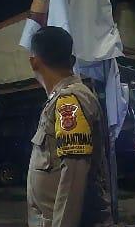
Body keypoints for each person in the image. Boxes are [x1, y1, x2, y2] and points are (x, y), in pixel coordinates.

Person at [27, 26, 111, 227]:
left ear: (34, 62)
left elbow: (73, 176)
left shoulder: (69, 100)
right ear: (71, 60)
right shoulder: (62, 98)